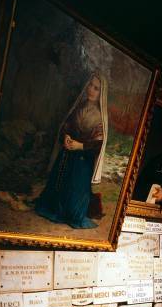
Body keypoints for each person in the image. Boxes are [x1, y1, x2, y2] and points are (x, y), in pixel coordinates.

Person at [35, 71, 108, 228]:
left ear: (101, 93)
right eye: (90, 85)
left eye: (96, 88)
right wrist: (66, 137)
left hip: (82, 164)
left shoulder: (99, 118)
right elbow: (66, 127)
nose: (91, 90)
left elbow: (97, 145)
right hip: (66, 157)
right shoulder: (78, 107)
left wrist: (80, 146)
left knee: (73, 211)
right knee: (51, 202)